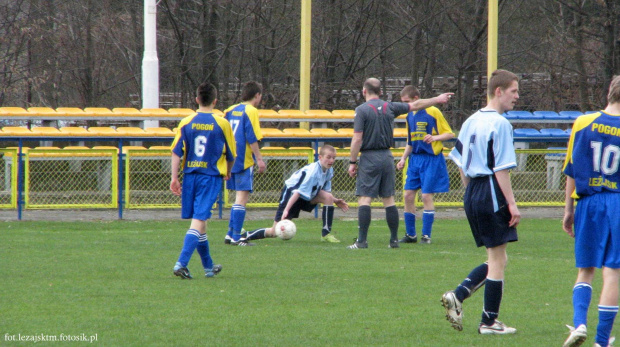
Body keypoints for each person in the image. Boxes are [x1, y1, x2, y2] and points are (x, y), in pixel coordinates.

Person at [441, 69, 521, 334]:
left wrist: (471, 194)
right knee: (498, 259)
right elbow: (501, 170)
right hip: (490, 190)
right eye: (513, 91)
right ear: (498, 91)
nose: (517, 97)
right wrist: (511, 203)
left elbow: (460, 163)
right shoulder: (500, 124)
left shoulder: (470, 120)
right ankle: (489, 322)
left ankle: (460, 295)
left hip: (473, 191)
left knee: (497, 257)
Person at [346, 78, 453, 249]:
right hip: (387, 157)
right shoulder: (390, 107)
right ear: (380, 92)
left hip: (370, 156)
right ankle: (394, 240)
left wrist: (352, 161)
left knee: (365, 199)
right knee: (389, 199)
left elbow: (357, 138)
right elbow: (417, 105)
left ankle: (362, 241)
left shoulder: (361, 110)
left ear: (364, 91)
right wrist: (438, 98)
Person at [561, 75, 620, 347]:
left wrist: (568, 210)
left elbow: (571, 169)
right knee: (613, 272)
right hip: (617, 202)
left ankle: (580, 323)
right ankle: (600, 341)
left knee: (585, 269)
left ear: (609, 92)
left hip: (587, 201)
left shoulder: (583, 122)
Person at [170, 82, 236, 279]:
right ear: (215, 101)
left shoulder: (186, 122)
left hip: (190, 177)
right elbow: (232, 154)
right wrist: (228, 172)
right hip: (210, 177)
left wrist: (174, 177)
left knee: (201, 221)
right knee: (198, 220)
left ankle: (208, 266)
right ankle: (181, 263)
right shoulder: (222, 123)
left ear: (197, 100)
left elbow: (176, 152)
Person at [240, 145, 349, 243]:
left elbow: (324, 192)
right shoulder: (313, 173)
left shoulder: (329, 170)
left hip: (306, 195)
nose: (331, 160)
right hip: (291, 195)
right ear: (320, 157)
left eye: (333, 158)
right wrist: (286, 210)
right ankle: (245, 235)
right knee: (274, 232)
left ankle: (326, 235)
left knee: (328, 197)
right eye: (328, 157)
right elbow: (297, 192)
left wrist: (336, 201)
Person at [396, 85, 454, 245]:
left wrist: (435, 138)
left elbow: (449, 133)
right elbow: (410, 141)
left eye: (407, 101)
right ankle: (411, 234)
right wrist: (402, 158)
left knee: (426, 195)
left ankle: (426, 236)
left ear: (416, 99)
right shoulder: (409, 115)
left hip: (431, 159)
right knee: (408, 195)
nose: (405, 105)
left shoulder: (433, 111)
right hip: (415, 160)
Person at [223, 81, 267, 246]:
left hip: (229, 159)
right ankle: (237, 237)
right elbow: (252, 137)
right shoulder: (251, 111)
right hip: (243, 159)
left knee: (237, 198)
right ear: (257, 95)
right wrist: (259, 159)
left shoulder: (230, 110)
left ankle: (230, 233)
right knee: (241, 199)